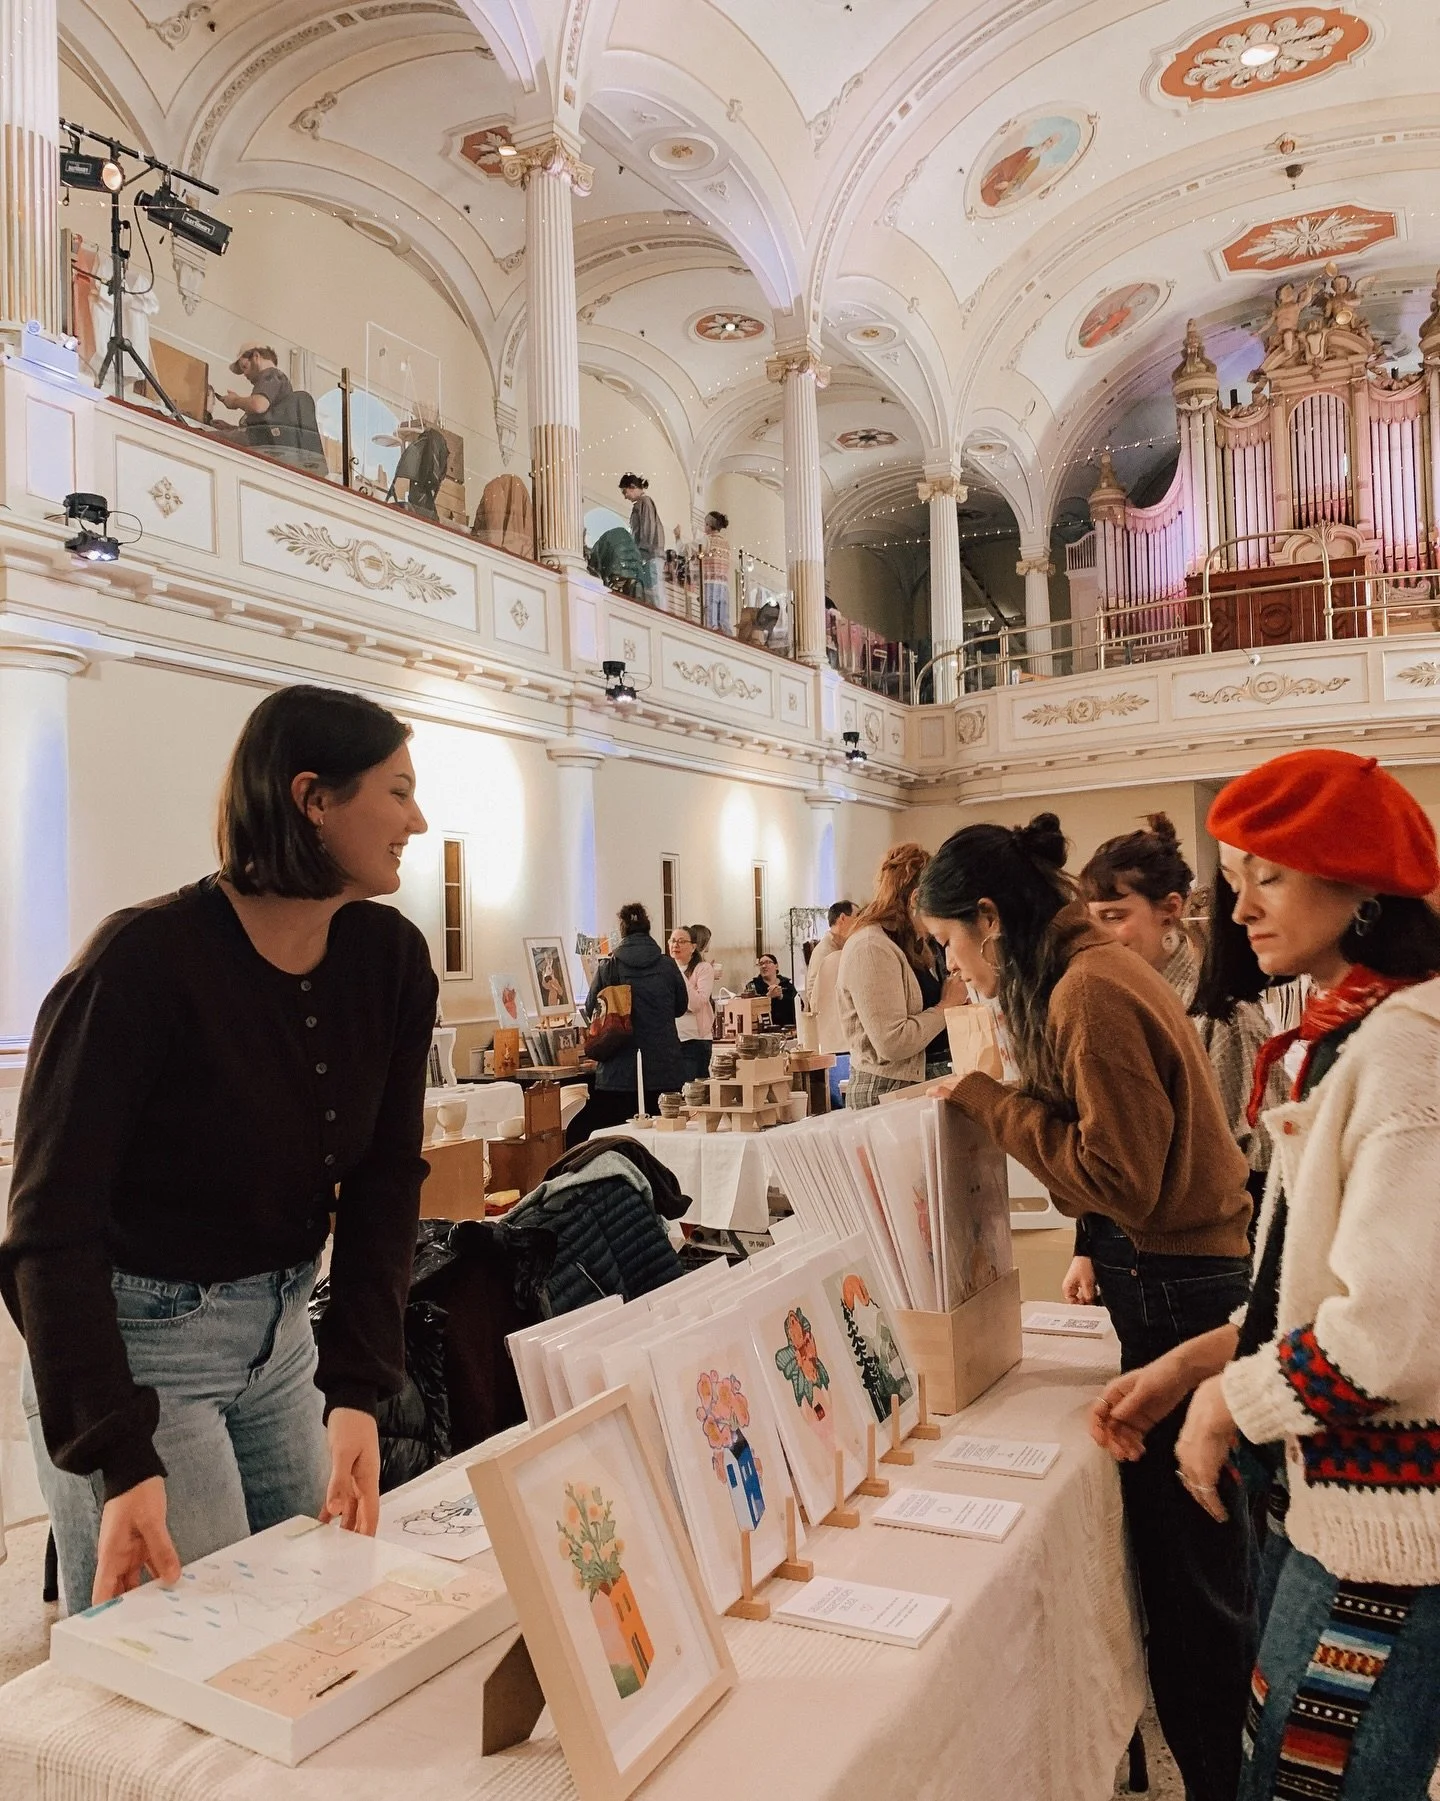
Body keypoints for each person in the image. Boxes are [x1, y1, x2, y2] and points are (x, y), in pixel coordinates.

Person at [0, 685, 436, 1612]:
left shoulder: (390, 961)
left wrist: (359, 1388)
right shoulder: (140, 965)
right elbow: (48, 1226)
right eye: (397, 791)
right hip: (141, 1351)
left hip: (283, 1345)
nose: (418, 819)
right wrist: (117, 1452)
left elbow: (385, 1181)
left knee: (309, 1623)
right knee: (186, 1663)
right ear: (313, 798)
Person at [1091, 751, 1440, 1801]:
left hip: (1389, 1530)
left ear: (1361, 883)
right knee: (1277, 1762)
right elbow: (1303, 1291)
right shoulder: (1350, 1038)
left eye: (1269, 875)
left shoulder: (1406, 1055)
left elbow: (1386, 1335)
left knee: (1308, 1785)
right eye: (1235, 876)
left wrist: (1224, 1404)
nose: (1237, 907)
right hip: (1329, 1502)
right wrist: (1187, 1370)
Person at [917, 813, 1255, 1801]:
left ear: (990, 917)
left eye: (953, 944)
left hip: (1175, 1280)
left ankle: (1218, 1776)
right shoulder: (1085, 975)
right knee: (1195, 1569)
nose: (960, 970)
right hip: (1172, 1275)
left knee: (1193, 1582)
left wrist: (989, 1100)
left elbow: (1124, 1178)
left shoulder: (1087, 990)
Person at [1067, 812, 1279, 1302]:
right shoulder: (1112, 1000)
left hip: (1199, 1267)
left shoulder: (1220, 1015)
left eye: (1115, 917)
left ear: (1171, 909)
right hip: (1130, 1255)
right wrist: (1089, 1246)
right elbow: (1105, 1140)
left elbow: (1248, 1167)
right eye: (1091, 918)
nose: (1096, 935)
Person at [836, 844, 966, 1108]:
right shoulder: (871, 947)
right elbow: (892, 1043)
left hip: (919, 1085)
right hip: (888, 1091)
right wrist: (946, 1007)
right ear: (916, 899)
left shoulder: (913, 943)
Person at [577, 902, 688, 1134]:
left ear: (622, 931)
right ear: (648, 929)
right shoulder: (667, 966)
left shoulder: (608, 967)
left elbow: (591, 1009)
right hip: (664, 1067)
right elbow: (680, 1007)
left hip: (618, 1070)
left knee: (620, 1139)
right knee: (665, 1138)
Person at [806, 901, 858, 1104]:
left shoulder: (843, 946)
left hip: (844, 1030)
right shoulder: (825, 951)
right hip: (834, 1036)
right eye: (857, 917)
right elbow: (814, 993)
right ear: (843, 919)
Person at [669, 924, 716, 1082]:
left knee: (695, 1090)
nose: (676, 945)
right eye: (673, 940)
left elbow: (696, 1004)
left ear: (693, 947)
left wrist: (679, 974)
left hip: (695, 1040)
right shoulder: (666, 970)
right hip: (672, 1040)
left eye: (681, 941)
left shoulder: (703, 969)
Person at [212, 344, 291, 431]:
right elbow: (259, 431)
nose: (245, 374)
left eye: (245, 367)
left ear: (256, 356)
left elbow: (258, 405)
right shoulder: (276, 380)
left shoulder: (271, 374)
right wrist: (230, 428)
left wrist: (234, 401)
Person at [620, 474, 664, 607]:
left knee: (653, 591)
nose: (625, 496)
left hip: (649, 555)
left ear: (632, 487)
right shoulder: (640, 504)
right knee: (649, 591)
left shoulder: (644, 502)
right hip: (647, 555)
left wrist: (641, 551)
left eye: (625, 491)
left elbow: (647, 528)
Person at [745, 953, 798, 1029]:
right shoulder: (752, 986)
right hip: (764, 1029)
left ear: (776, 966)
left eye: (768, 962)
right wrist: (768, 997)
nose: (764, 966)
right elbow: (749, 1009)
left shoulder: (787, 984)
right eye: (761, 964)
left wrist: (781, 996)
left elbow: (799, 1004)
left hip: (787, 1028)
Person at [701, 511, 732, 634]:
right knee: (723, 616)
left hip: (710, 581)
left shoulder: (708, 540)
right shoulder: (726, 544)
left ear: (709, 525)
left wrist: (678, 539)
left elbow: (687, 549)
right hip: (723, 584)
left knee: (710, 615)